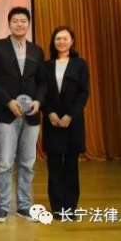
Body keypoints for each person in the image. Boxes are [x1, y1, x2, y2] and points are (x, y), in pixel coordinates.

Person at [0, 7, 46, 223]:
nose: (19, 24)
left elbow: (42, 82)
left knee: (27, 162)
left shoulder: (37, 50)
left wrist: (38, 101)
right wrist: (8, 101)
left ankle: (23, 206)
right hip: (5, 112)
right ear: (9, 23)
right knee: (5, 162)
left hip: (31, 115)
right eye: (15, 21)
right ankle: (2, 207)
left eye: (23, 21)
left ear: (28, 24)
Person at [42, 26, 90, 220]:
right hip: (52, 122)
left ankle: (70, 208)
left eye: (65, 38)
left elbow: (83, 93)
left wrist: (70, 115)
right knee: (54, 167)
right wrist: (50, 113)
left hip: (73, 122)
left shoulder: (80, 64)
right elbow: (41, 92)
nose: (61, 41)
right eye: (58, 38)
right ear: (53, 42)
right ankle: (57, 208)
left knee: (71, 167)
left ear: (72, 41)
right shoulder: (46, 66)